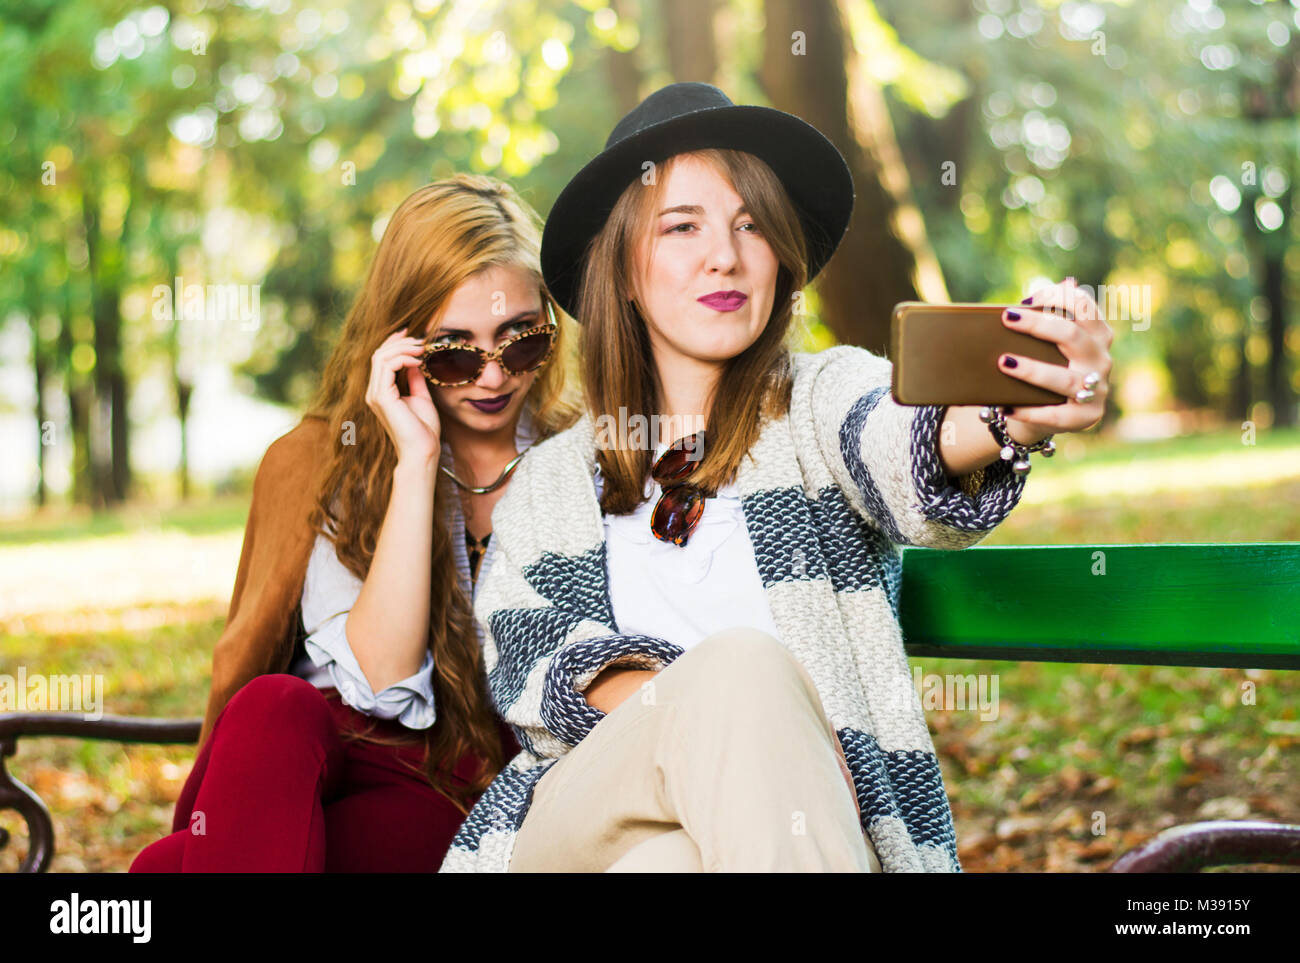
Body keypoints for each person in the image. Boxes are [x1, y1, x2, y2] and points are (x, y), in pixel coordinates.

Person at [439, 83, 1113, 874]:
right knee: (742, 670)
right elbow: (532, 665)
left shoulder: (821, 402)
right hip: (579, 821)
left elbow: (900, 440)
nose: (724, 254)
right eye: (683, 225)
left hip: (785, 829)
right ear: (623, 266)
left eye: (751, 224)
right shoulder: (554, 482)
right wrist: (741, 715)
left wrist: (1012, 415)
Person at [130, 174, 579, 872]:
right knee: (272, 703)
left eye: (520, 340)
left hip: (467, 782)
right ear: (400, 342)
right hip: (331, 749)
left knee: (165, 868)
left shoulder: (578, 454)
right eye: (456, 351)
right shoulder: (324, 459)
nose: (492, 376)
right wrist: (416, 458)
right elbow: (381, 678)